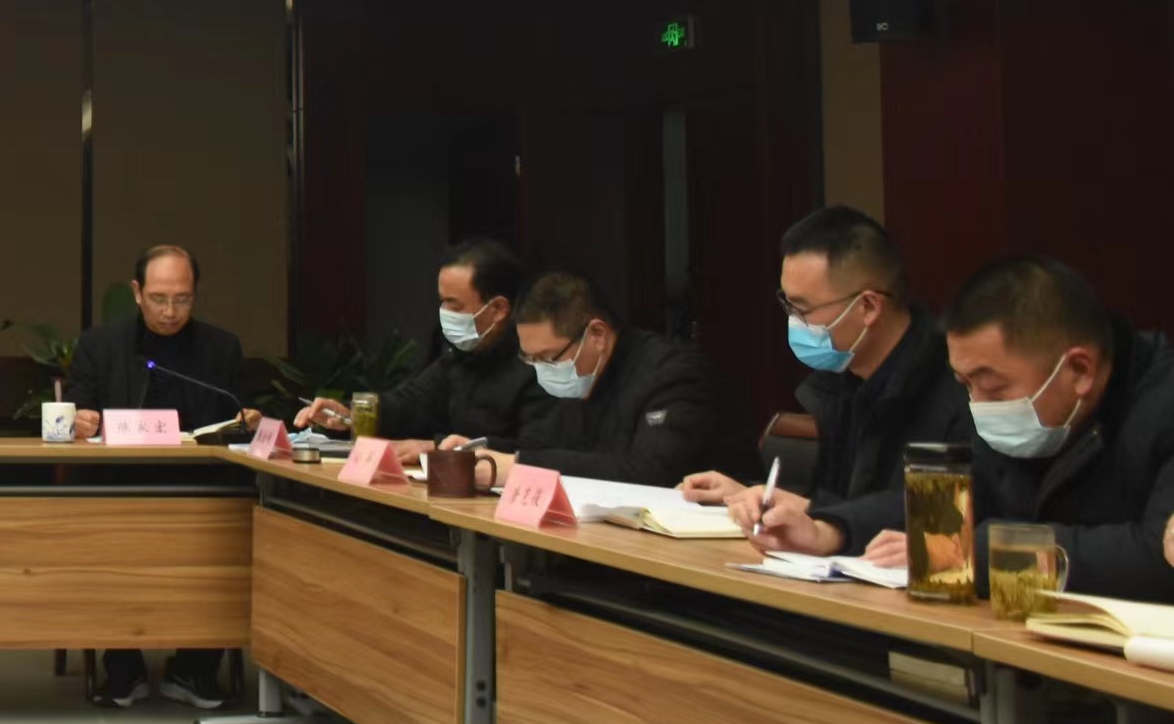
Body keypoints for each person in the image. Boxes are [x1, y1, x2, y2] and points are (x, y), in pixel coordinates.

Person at [677, 208, 969, 559]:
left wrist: (824, 521)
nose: (793, 322)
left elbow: (931, 510)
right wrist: (755, 495)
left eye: (803, 309)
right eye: (787, 305)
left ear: (868, 307)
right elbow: (843, 502)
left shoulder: (959, 385)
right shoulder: (842, 382)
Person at [68, 243, 254, 708]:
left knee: (225, 541)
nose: (170, 312)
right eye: (158, 299)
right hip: (119, 488)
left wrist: (246, 420)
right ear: (137, 292)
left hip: (203, 490)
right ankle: (122, 667)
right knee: (106, 543)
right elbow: (76, 410)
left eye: (182, 299)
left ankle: (194, 670)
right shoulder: (100, 345)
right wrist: (79, 421)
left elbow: (240, 415)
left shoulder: (222, 348)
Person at [939, 256, 1174, 600]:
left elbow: (1158, 560)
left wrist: (992, 551)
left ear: (1079, 370)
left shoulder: (1162, 407)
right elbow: (956, 514)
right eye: (965, 384)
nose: (978, 406)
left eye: (992, 387)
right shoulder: (1008, 415)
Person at [447, 271, 758, 490]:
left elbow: (650, 473)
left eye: (548, 357)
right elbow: (547, 445)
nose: (541, 370)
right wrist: (485, 449)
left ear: (596, 334)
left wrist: (519, 466)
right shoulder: (580, 374)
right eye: (531, 360)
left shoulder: (673, 375)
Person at [296, 238, 549, 468]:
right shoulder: (461, 356)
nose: (445, 313)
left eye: (454, 305)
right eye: (443, 301)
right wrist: (350, 413)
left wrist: (437, 447)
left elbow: (536, 452)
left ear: (498, 309)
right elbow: (410, 404)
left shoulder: (540, 363)